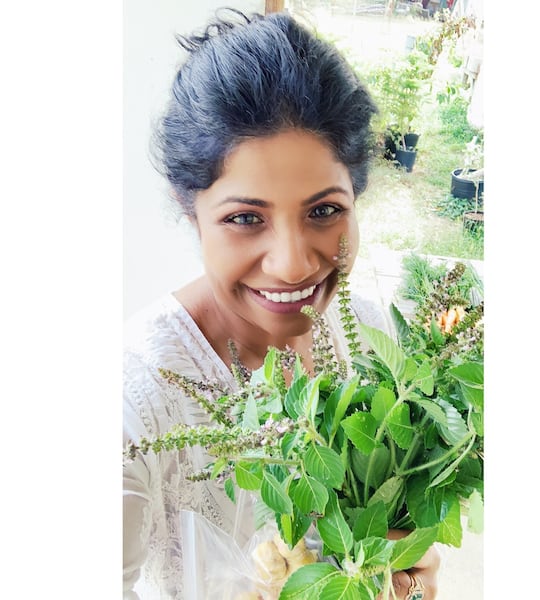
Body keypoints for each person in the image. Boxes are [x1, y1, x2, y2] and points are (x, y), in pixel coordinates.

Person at [123, 8, 440, 599]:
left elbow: (397, 544)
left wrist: (406, 577)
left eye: (324, 211)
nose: (293, 263)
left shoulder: (375, 347)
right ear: (190, 211)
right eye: (245, 218)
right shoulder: (136, 401)